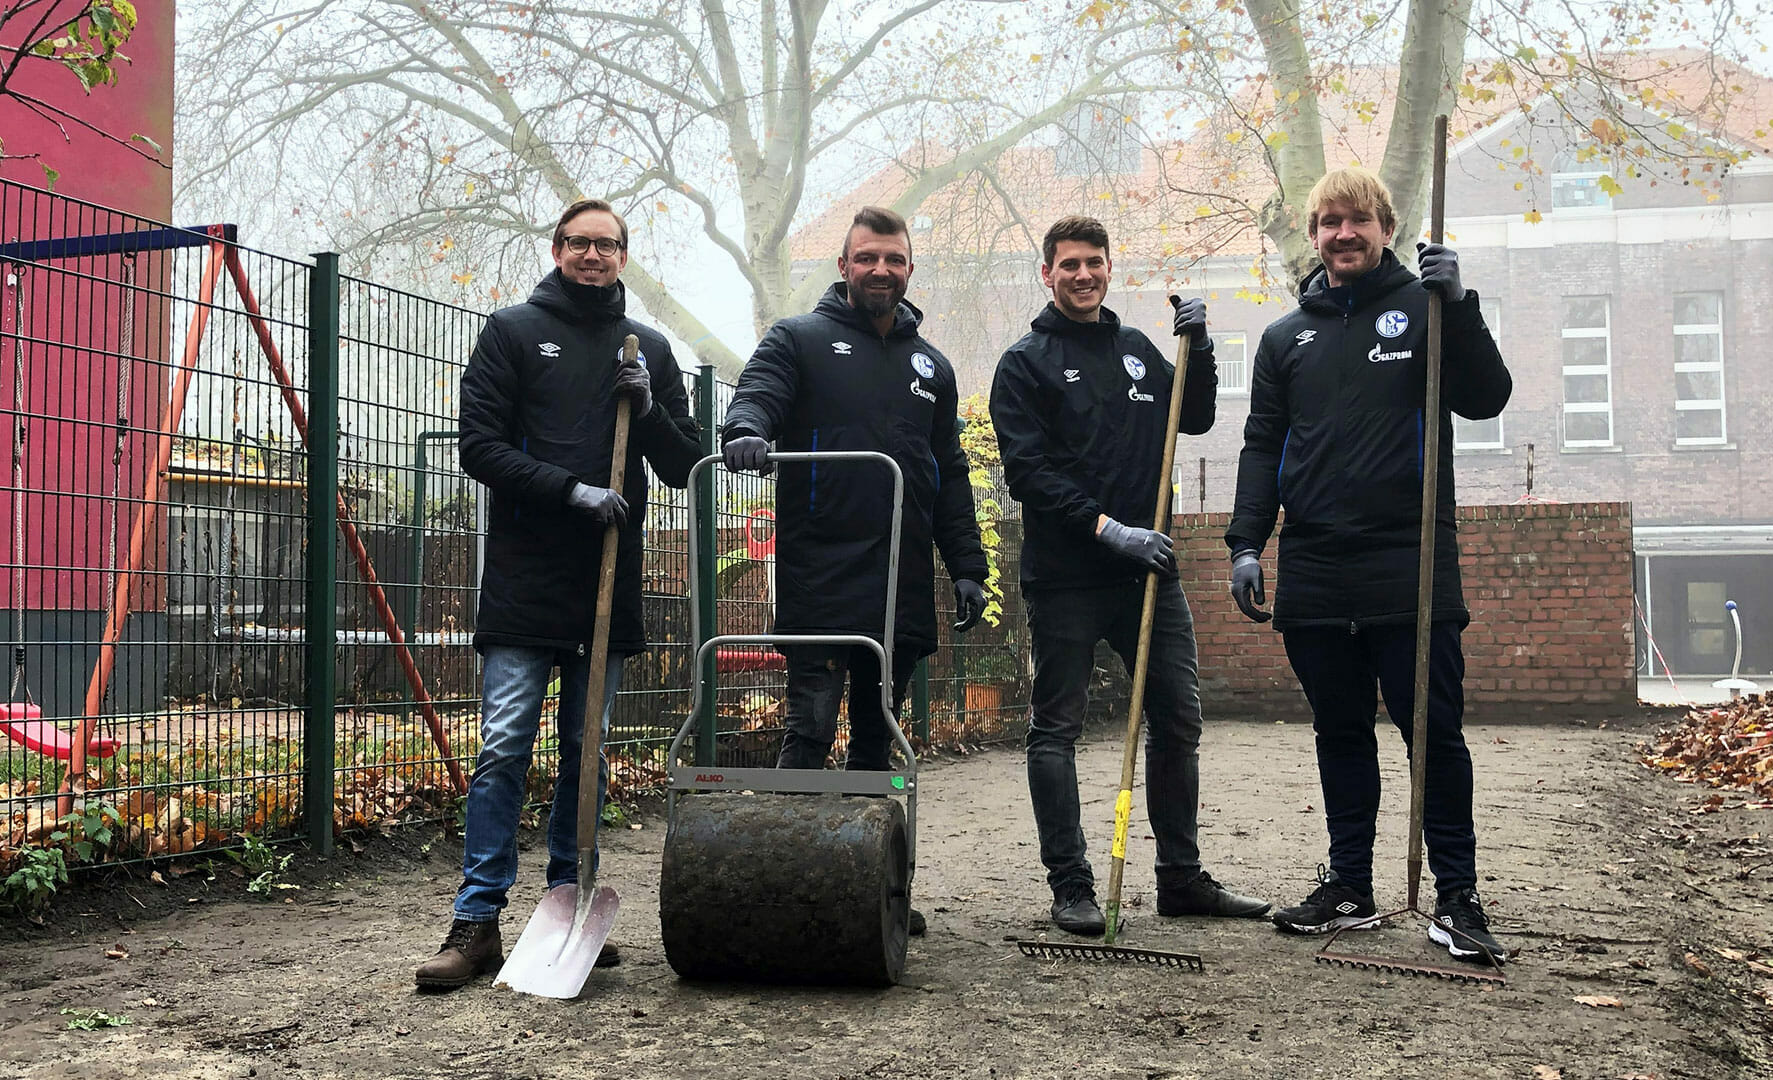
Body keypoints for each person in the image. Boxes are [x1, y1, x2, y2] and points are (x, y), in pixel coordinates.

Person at [1225, 166, 1513, 963]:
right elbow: (1261, 444)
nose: (1341, 234)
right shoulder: (1288, 338)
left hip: (1409, 558)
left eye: (1356, 219)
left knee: (1434, 733)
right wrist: (1248, 542)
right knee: (1339, 730)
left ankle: (1457, 897)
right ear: (1313, 236)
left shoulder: (1426, 310)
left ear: (1385, 226)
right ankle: (1350, 884)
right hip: (1315, 563)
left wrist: (1460, 304)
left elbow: (1487, 396)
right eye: (1326, 222)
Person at [416, 197, 702, 989]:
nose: (593, 256)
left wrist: (645, 410)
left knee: (587, 750)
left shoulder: (646, 348)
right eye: (580, 243)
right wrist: (567, 490)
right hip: (524, 578)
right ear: (557, 248)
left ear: (622, 256)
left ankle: (567, 907)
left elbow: (685, 465)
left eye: (607, 245)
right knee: (505, 744)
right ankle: (476, 922)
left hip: (607, 584)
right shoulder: (511, 331)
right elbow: (479, 446)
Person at [988, 214, 1270, 937]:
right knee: (1057, 728)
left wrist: (1199, 345)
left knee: (1177, 718)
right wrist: (1111, 530)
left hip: (1149, 577)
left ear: (1110, 268)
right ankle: (1072, 885)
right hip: (1067, 579)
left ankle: (1180, 878)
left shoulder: (1140, 349)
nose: (1084, 275)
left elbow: (1196, 417)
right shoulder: (1025, 363)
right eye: (1070, 265)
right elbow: (1028, 474)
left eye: (1095, 263)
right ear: (1047, 274)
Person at [721, 206, 990, 933]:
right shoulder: (799, 340)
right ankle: (783, 878)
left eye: (893, 259)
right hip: (819, 571)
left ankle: (874, 886)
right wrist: (746, 431)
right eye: (866, 257)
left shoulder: (931, 366)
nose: (880, 269)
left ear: (909, 269)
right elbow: (757, 397)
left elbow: (952, 472)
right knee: (808, 724)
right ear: (843, 266)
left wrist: (967, 564)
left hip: (898, 581)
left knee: (879, 732)